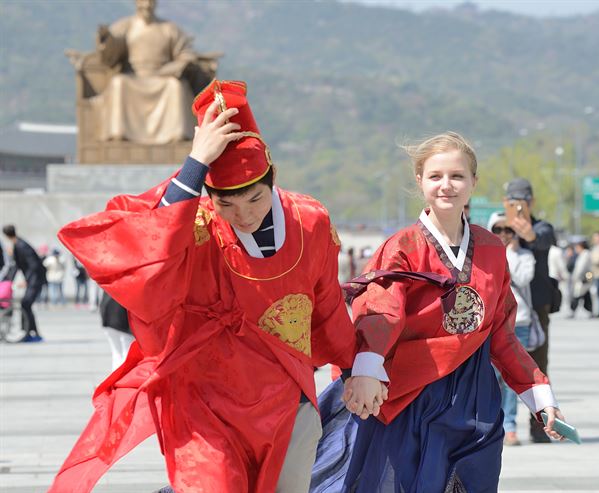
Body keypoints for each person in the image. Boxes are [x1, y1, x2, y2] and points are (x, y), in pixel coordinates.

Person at [49, 80, 381, 493]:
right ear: (208, 193)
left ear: (272, 177)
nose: (242, 216)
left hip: (285, 400)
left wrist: (354, 369)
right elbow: (143, 246)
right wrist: (195, 163)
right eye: (227, 203)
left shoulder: (308, 220)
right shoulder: (195, 221)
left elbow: (326, 305)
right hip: (204, 403)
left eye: (255, 200)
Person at [311, 132, 565, 493]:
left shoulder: (493, 248)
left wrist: (538, 393)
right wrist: (367, 368)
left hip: (476, 398)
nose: (447, 185)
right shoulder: (402, 246)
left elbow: (502, 333)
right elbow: (380, 311)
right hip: (412, 394)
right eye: (436, 176)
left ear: (474, 182)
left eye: (458, 176)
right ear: (420, 181)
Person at [94, 0, 199, 143]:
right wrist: (106, 39)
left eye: (151, 2)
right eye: (143, 2)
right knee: (119, 83)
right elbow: (112, 52)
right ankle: (118, 134)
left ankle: (177, 135)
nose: (147, 6)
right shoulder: (125, 26)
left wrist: (176, 66)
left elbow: (185, 53)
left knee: (175, 86)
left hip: (162, 76)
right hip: (134, 77)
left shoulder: (169, 28)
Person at [503, 177, 557, 443]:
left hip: (537, 308)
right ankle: (505, 427)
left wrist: (528, 235)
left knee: (538, 366)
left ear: (532, 202)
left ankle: (541, 427)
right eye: (513, 202)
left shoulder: (541, 227)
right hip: (505, 309)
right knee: (504, 370)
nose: (519, 207)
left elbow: (546, 239)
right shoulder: (500, 227)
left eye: (522, 201)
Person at [487, 212, 537, 446]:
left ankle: (510, 426)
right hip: (493, 322)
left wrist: (505, 254)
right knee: (491, 376)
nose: (504, 235)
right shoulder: (482, 256)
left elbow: (524, 278)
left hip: (520, 323)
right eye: (498, 230)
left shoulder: (525, 255)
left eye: (509, 231)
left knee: (511, 378)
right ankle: (490, 423)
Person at [1, 225, 46, 342]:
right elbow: (16, 266)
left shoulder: (22, 246)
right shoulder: (17, 245)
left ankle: (31, 333)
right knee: (25, 304)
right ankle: (31, 332)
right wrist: (8, 280)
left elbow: (34, 265)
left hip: (36, 280)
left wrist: (26, 280)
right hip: (33, 279)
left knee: (25, 304)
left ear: (5, 235)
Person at [100, 291, 135, 369]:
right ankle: (122, 378)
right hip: (123, 318)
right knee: (126, 353)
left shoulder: (110, 280)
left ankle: (116, 378)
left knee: (117, 354)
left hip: (108, 315)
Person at [568, 240, 593, 318]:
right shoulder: (583, 254)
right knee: (586, 295)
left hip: (582, 279)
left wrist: (576, 277)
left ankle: (573, 311)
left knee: (577, 295)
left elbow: (581, 268)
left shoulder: (585, 254)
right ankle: (590, 311)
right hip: (584, 279)